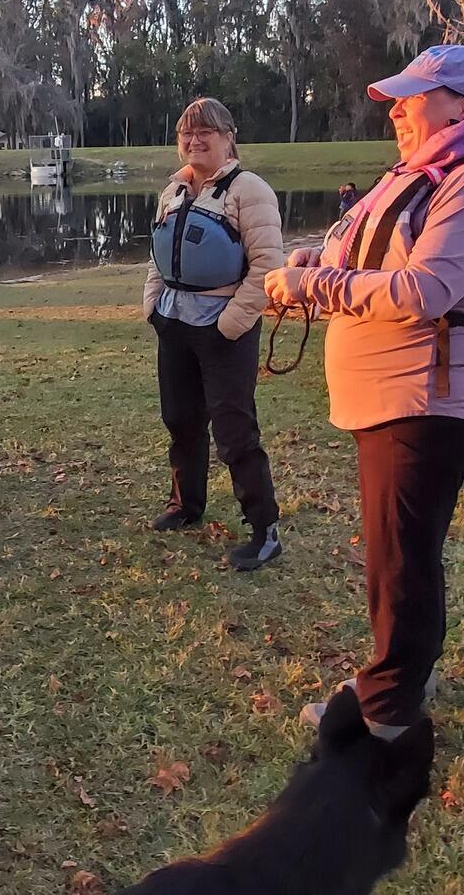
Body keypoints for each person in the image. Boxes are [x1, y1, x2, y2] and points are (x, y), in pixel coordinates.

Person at [264, 44, 464, 742]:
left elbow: (426, 290)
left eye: (416, 99)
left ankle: (388, 709)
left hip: (425, 403)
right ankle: (407, 673)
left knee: (401, 559)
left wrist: (312, 287)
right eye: (400, 100)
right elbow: (380, 252)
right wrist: (318, 260)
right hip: (395, 398)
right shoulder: (430, 172)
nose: (400, 113)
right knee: (401, 552)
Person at [142, 97, 285, 571]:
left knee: (233, 429)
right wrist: (153, 306)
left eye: (207, 132)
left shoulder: (250, 190)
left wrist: (231, 323)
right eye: (186, 133)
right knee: (180, 419)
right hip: (175, 322)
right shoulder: (174, 191)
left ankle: (265, 529)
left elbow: (267, 266)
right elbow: (159, 255)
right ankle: (186, 504)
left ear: (229, 138)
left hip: (225, 329)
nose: (195, 140)